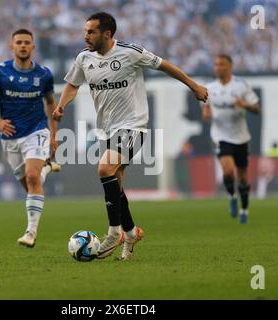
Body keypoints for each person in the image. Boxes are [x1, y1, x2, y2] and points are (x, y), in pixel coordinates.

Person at [52, 12, 207, 260]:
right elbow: (72, 85)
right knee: (117, 186)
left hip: (133, 126)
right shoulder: (84, 58)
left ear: (107, 33)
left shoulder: (129, 52)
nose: (85, 36)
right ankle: (131, 233)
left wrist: (194, 85)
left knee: (104, 169)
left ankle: (114, 233)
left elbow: (165, 65)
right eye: (85, 31)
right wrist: (62, 106)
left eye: (91, 31)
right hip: (108, 129)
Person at [0, 29, 60, 248]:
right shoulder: (0, 72)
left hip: (37, 130)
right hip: (10, 136)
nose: (23, 46)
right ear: (12, 46)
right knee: (29, 185)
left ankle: (30, 233)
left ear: (33, 47)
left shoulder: (43, 75)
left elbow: (51, 104)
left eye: (27, 43)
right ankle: (46, 169)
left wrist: (53, 134)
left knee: (32, 178)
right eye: (19, 42)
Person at [201, 54, 259, 224]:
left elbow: (256, 108)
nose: (218, 67)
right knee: (227, 172)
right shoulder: (209, 88)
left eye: (222, 64)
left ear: (230, 66)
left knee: (242, 177)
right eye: (216, 64)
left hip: (241, 137)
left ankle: (245, 209)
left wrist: (246, 105)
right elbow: (205, 110)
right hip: (221, 136)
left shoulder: (241, 86)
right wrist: (205, 113)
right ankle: (232, 196)